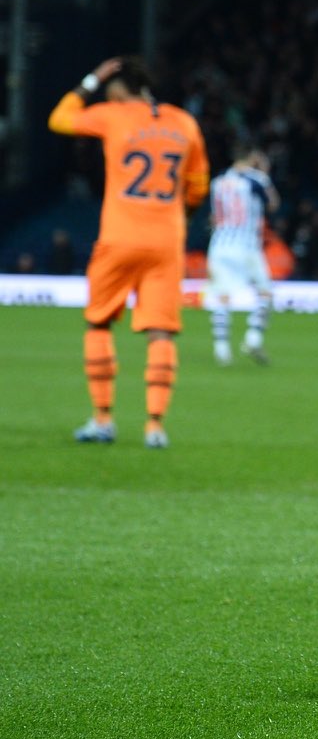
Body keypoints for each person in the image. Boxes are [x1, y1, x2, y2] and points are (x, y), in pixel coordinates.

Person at [47, 56, 210, 448]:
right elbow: (199, 185)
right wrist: (179, 213)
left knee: (100, 323)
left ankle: (103, 419)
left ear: (119, 89)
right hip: (166, 239)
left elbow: (60, 119)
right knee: (161, 331)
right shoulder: (184, 123)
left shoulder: (113, 115)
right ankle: (155, 426)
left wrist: (91, 80)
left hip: (119, 236)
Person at [206, 147, 280, 365]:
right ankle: (253, 337)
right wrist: (264, 172)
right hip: (246, 245)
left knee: (221, 296)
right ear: (252, 159)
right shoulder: (256, 179)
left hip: (219, 244)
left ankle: (221, 349)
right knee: (265, 293)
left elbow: (214, 216)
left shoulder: (217, 182)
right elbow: (273, 204)